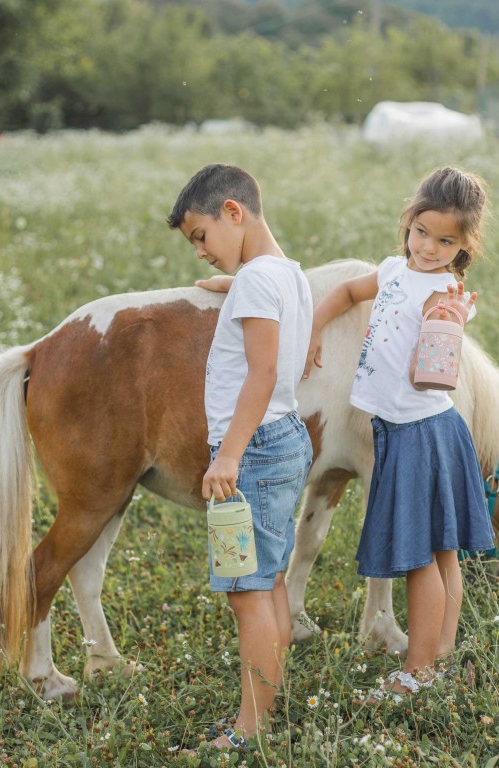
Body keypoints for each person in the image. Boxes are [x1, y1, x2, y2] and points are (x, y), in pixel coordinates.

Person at [302, 166, 495, 701]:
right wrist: (315, 324)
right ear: (408, 221)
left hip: (419, 433)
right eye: (421, 232)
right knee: (443, 556)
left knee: (423, 559)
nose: (429, 247)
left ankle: (418, 670)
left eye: (446, 240)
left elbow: (432, 372)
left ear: (464, 245)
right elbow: (344, 291)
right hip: (419, 429)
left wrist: (444, 327)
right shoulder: (393, 270)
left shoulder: (443, 294)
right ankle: (444, 659)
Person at [167, 164, 314, 747]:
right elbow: (270, 308)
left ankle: (248, 732)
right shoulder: (288, 275)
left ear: (234, 212)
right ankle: (266, 715)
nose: (200, 252)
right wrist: (235, 288)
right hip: (287, 439)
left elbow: (263, 371)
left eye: (201, 236)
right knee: (269, 581)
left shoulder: (257, 282)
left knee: (247, 594)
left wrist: (226, 457)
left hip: (250, 453)